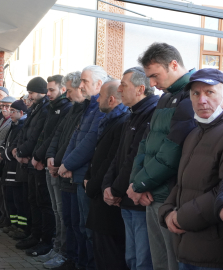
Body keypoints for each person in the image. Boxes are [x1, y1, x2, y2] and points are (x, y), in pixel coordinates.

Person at [127, 43, 197, 270]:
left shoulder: (191, 96)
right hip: (151, 193)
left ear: (174, 65)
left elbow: (172, 150)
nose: (153, 85)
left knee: (171, 263)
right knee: (159, 262)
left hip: (169, 196)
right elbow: (146, 144)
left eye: (155, 76)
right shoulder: (166, 97)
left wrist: (140, 184)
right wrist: (136, 182)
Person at [159, 68, 223, 270]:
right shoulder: (194, 134)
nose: (201, 100)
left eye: (209, 92)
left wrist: (180, 217)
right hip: (187, 244)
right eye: (195, 93)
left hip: (214, 249)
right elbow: (182, 181)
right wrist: (166, 211)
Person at [102, 67, 158, 270]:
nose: (119, 91)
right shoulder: (132, 114)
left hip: (138, 199)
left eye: (124, 86)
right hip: (124, 198)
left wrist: (115, 190)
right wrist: (108, 186)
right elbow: (118, 156)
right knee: (132, 258)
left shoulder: (151, 113)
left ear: (140, 89)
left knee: (143, 261)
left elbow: (135, 157)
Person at [57, 65, 108, 270]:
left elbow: (90, 140)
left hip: (85, 174)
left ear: (99, 84)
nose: (81, 85)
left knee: (87, 228)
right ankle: (79, 262)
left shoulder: (99, 107)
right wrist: (66, 162)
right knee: (78, 225)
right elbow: (76, 136)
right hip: (76, 172)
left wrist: (68, 163)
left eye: (85, 81)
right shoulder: (89, 105)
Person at [84, 79, 130, 270]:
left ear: (111, 99)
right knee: (100, 250)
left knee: (111, 254)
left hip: (108, 196)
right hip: (98, 192)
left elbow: (112, 160)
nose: (96, 100)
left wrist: (93, 184)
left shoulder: (122, 123)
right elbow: (97, 153)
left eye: (100, 96)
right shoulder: (110, 120)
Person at [45, 71, 87, 270]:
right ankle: (66, 254)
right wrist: (51, 156)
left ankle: (71, 257)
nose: (67, 95)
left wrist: (62, 163)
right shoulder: (73, 109)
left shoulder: (86, 111)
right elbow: (58, 134)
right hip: (61, 168)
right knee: (64, 216)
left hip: (71, 173)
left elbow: (77, 143)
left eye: (69, 91)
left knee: (72, 220)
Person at [31, 75, 72, 268]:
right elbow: (48, 136)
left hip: (57, 166)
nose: (48, 94)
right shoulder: (52, 108)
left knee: (59, 211)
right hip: (49, 161)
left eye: (52, 90)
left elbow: (63, 139)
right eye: (47, 90)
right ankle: (57, 248)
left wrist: (44, 157)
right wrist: (44, 156)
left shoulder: (67, 109)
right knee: (56, 210)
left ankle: (61, 251)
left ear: (63, 89)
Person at [12, 77, 51, 256]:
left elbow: (37, 136)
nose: (29, 96)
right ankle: (34, 235)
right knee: (33, 200)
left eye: (31, 93)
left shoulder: (44, 110)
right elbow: (24, 132)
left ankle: (43, 238)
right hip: (27, 160)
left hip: (35, 162)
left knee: (42, 202)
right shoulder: (35, 108)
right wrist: (18, 150)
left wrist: (23, 153)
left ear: (41, 92)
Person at [0, 100, 28, 236]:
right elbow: (6, 143)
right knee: (9, 198)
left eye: (13, 111)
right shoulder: (13, 125)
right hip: (7, 167)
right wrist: (2, 152)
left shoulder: (22, 126)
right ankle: (13, 223)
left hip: (16, 169)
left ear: (21, 113)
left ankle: (21, 227)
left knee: (18, 200)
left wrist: (5, 154)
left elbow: (15, 147)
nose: (10, 113)